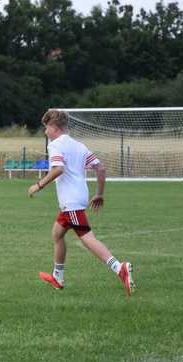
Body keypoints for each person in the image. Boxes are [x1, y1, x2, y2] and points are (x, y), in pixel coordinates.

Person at [27, 109, 135, 296]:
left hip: (71, 201)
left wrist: (39, 184)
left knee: (88, 239)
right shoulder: (79, 145)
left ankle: (119, 268)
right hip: (77, 198)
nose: (45, 132)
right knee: (57, 233)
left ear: (53, 127)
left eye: (46, 128)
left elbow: (58, 169)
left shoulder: (55, 145)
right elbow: (100, 169)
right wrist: (99, 194)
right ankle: (58, 277)